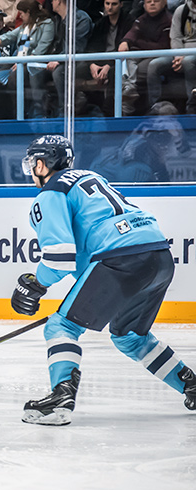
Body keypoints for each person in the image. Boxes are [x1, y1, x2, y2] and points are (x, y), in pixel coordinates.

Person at [11, 135, 196, 426]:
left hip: (120, 257)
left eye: (33, 163)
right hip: (158, 254)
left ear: (42, 163)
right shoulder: (90, 177)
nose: (32, 170)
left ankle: (61, 396)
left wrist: (36, 284)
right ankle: (191, 385)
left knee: (62, 325)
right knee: (130, 337)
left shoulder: (50, 192)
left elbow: (60, 255)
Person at [118, 0, 172, 115]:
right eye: (148, 1)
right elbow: (132, 33)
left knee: (144, 68)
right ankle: (128, 92)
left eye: (156, 1)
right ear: (144, 5)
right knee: (124, 59)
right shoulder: (141, 19)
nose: (152, 3)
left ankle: (154, 105)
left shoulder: (169, 20)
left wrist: (138, 43)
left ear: (164, 3)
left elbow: (163, 47)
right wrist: (125, 41)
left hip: (162, 56)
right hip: (143, 54)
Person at [84, 0, 132, 116]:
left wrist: (108, 65)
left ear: (121, 4)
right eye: (107, 4)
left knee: (113, 73)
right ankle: (83, 110)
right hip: (100, 61)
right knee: (78, 69)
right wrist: (92, 65)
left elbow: (127, 50)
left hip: (120, 61)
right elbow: (90, 47)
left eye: (114, 4)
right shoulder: (101, 23)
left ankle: (109, 113)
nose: (110, 7)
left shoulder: (129, 21)